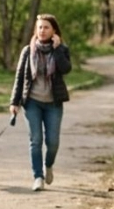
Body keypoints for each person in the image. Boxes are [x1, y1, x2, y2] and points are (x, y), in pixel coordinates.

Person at [10, 14, 71, 191]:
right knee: (36, 140)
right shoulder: (27, 51)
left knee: (53, 142)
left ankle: (48, 165)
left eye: (46, 27)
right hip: (32, 102)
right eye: (39, 27)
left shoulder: (61, 49)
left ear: (54, 31)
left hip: (53, 103)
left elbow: (66, 69)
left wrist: (57, 49)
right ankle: (38, 176)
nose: (42, 31)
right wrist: (14, 102)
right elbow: (19, 77)